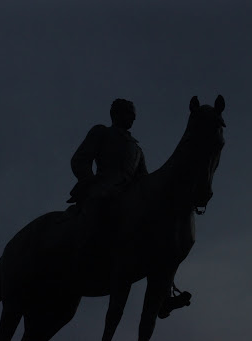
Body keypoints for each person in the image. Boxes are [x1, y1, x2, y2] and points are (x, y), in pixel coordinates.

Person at [67, 98, 190, 317]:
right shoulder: (102, 132)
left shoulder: (136, 149)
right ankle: (80, 254)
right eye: (129, 113)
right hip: (103, 189)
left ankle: (165, 294)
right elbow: (80, 159)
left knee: (160, 233)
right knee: (98, 211)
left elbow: (144, 180)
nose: (133, 118)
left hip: (128, 196)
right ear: (116, 113)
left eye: (134, 114)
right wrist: (90, 181)